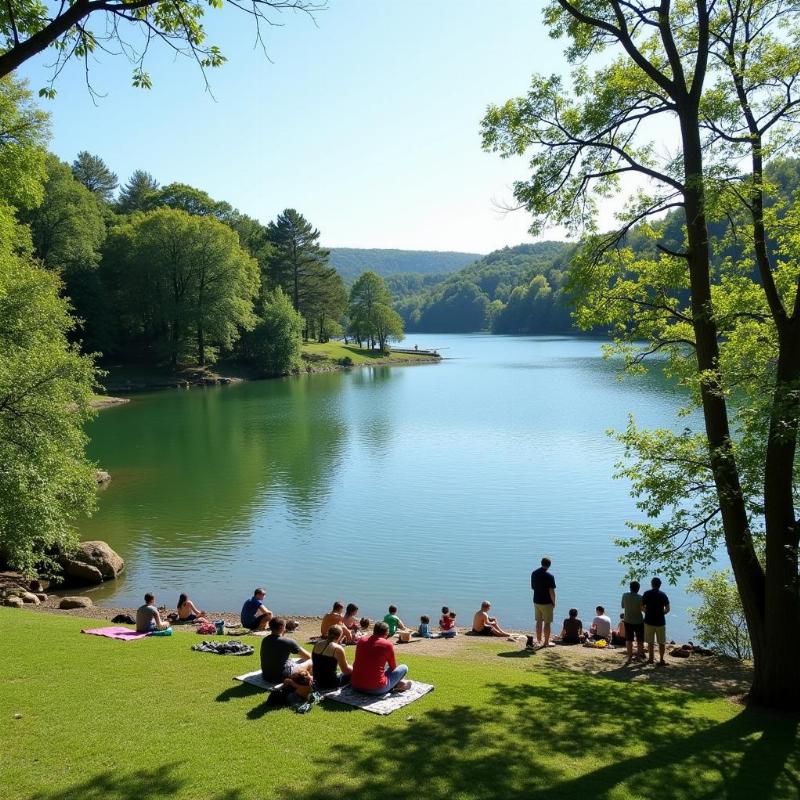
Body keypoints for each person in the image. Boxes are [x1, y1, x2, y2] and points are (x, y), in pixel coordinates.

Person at [351, 620, 411, 695]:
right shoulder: (387, 645)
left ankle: (396, 684)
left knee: (378, 666)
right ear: (386, 633)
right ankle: (397, 685)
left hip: (356, 685)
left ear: (374, 630)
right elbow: (393, 667)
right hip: (377, 689)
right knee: (404, 667)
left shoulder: (361, 641)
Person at [260, 617, 312, 684]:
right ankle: (309, 680)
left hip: (266, 676)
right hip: (281, 678)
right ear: (281, 627)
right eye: (285, 626)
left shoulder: (265, 640)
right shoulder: (288, 642)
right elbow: (308, 657)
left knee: (291, 660)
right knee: (310, 661)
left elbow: (277, 647)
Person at [311, 624, 353, 690]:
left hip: (317, 680)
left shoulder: (317, 644)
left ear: (328, 633)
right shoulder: (337, 648)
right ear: (339, 636)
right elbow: (345, 670)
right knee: (351, 674)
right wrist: (354, 669)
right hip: (330, 684)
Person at [642, 577, 671, 667]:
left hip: (649, 621)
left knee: (650, 642)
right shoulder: (663, 595)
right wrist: (662, 613)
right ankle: (661, 659)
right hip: (660, 622)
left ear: (651, 584)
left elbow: (641, 607)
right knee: (661, 642)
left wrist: (647, 612)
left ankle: (651, 659)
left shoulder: (646, 593)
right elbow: (668, 609)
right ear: (660, 585)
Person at [531, 556, 557, 648]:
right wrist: (554, 602)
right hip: (546, 602)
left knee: (538, 621)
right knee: (547, 622)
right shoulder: (550, 576)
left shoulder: (534, 573)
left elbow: (533, 587)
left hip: (536, 600)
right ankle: (546, 642)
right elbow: (551, 592)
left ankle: (538, 640)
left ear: (541, 563)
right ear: (549, 565)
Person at [621, 580, 645, 662]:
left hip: (628, 620)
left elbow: (623, 606)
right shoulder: (641, 597)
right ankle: (638, 657)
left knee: (629, 640)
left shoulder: (625, 595)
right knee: (640, 640)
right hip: (639, 621)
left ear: (630, 588)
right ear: (638, 589)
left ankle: (629, 657)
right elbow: (643, 609)